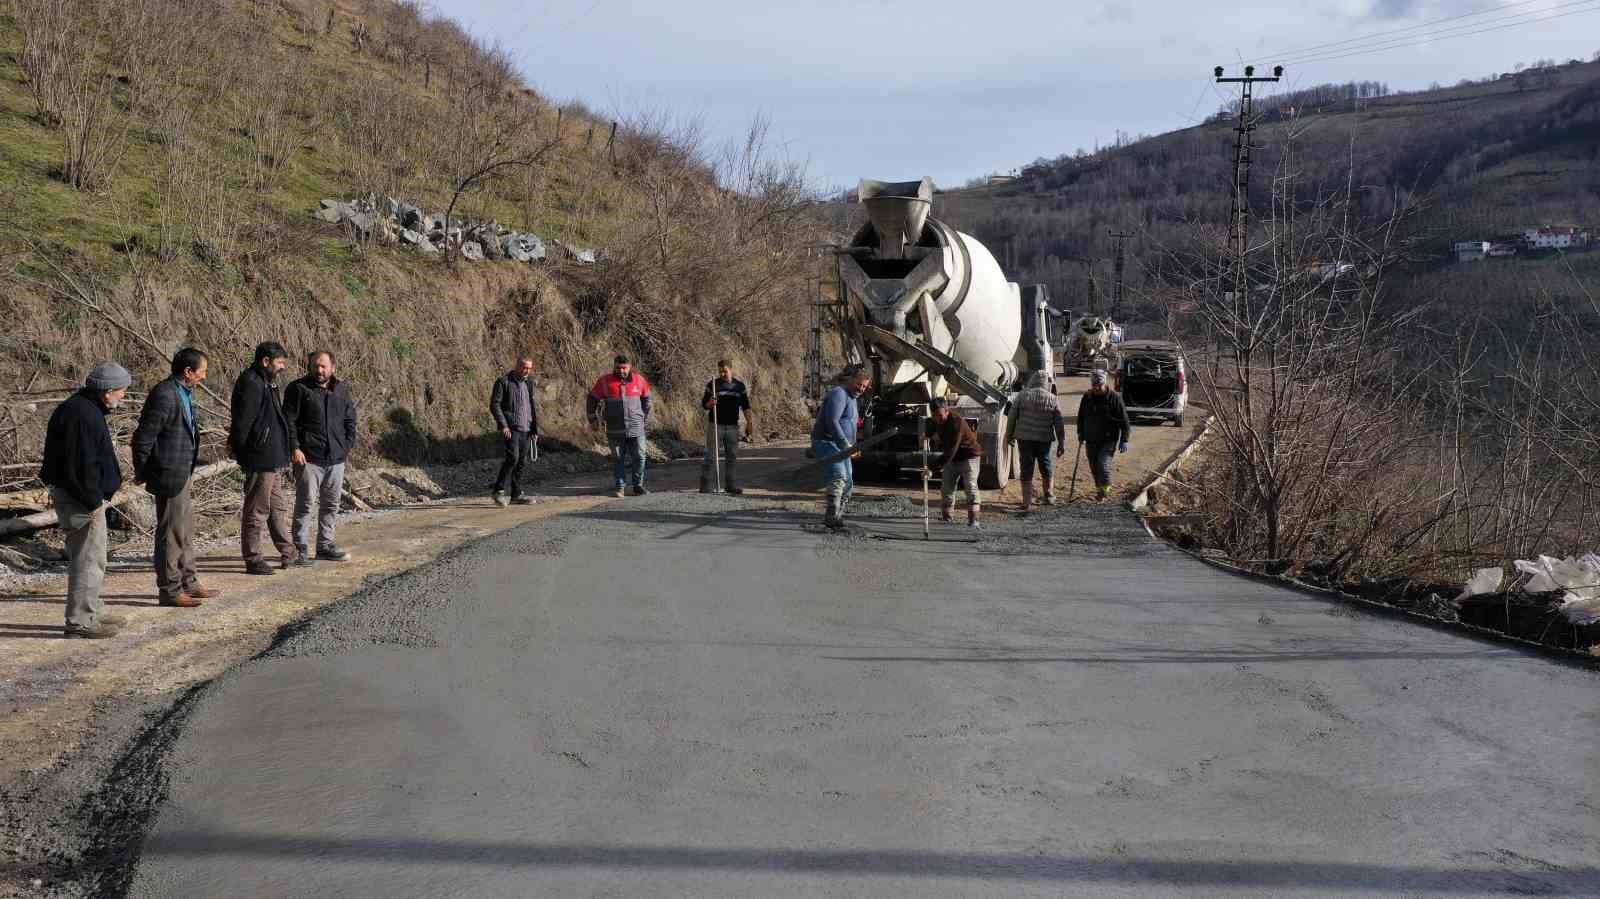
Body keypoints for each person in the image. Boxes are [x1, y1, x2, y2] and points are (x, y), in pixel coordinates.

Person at [40, 363, 131, 638]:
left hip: (83, 497)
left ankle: (91, 611)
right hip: (81, 500)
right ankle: (80, 621)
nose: (124, 396)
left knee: (93, 558)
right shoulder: (81, 415)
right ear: (108, 391)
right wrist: (93, 501)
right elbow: (79, 466)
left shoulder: (84, 409)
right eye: (122, 391)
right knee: (87, 559)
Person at [131, 348, 220, 608]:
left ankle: (189, 582)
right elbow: (143, 438)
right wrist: (144, 472)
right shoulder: (165, 395)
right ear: (188, 372)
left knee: (184, 531)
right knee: (170, 534)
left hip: (181, 473)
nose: (204, 377)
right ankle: (170, 590)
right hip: (168, 474)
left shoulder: (181, 392)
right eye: (201, 372)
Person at [283, 350, 357, 565]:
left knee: (330, 505)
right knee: (305, 504)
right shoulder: (298, 389)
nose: (319, 370)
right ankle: (299, 548)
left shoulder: (341, 389)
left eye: (323, 366)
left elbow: (350, 419)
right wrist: (294, 447)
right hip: (309, 458)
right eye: (315, 366)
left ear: (333, 367)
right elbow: (289, 421)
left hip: (336, 458)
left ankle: (325, 545)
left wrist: (346, 446)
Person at [230, 341, 294, 575]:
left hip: (273, 456)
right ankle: (253, 558)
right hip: (260, 457)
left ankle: (289, 552)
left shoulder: (267, 382)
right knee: (257, 509)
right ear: (265, 361)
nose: (282, 367)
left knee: (277, 507)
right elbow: (242, 424)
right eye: (279, 363)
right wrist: (244, 454)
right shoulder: (252, 383)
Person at [810, 366, 871, 530]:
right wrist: (846, 445)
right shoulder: (839, 394)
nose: (861, 389)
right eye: (859, 384)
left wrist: (852, 446)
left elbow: (850, 425)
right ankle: (831, 516)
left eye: (864, 386)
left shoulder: (853, 399)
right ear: (851, 380)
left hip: (843, 447)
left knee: (848, 483)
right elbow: (832, 422)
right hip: (826, 442)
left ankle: (838, 516)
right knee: (839, 475)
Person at [587, 355, 652, 498]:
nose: (621, 370)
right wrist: (593, 419)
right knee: (618, 459)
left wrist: (643, 417)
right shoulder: (605, 381)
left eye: (624, 368)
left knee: (640, 457)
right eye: (618, 367)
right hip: (614, 429)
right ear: (614, 366)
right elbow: (592, 399)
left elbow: (647, 399)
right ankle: (620, 487)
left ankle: (637, 486)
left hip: (636, 428)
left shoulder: (639, 380)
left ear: (629, 367)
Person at [1007, 370, 1066, 514]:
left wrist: (1009, 435)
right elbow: (1059, 423)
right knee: (1045, 464)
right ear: (1046, 383)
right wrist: (1061, 442)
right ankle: (1049, 495)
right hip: (1044, 439)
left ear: (1032, 381)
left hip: (1024, 438)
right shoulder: (1052, 398)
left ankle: (1026, 502)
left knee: (1026, 468)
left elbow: (1011, 417)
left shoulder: (1022, 395)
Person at [489, 357, 540, 507]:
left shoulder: (529, 383)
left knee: (521, 461)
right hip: (511, 428)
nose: (527, 371)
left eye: (529, 368)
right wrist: (503, 425)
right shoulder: (503, 382)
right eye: (524, 367)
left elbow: (531, 406)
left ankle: (516, 494)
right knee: (513, 458)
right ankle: (498, 491)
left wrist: (534, 429)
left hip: (526, 427)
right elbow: (495, 405)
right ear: (517, 366)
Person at [699, 359, 754, 494]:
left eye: (725, 371)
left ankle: (730, 485)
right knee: (710, 456)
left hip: (732, 427)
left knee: (732, 456)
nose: (722, 374)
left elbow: (746, 406)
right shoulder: (713, 385)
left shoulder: (739, 386)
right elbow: (704, 405)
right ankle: (705, 486)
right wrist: (710, 403)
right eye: (720, 371)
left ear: (731, 369)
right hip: (716, 425)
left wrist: (749, 423)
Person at [929, 397, 984, 528]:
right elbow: (931, 429)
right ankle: (947, 519)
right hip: (952, 458)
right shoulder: (935, 420)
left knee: (970, 488)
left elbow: (951, 451)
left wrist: (932, 468)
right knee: (946, 489)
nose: (938, 419)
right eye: (935, 416)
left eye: (940, 416)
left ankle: (973, 520)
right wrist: (927, 435)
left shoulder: (956, 423)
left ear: (947, 411)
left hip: (969, 457)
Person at [1077, 369, 1131, 501]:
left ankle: (1105, 493)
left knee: (1103, 467)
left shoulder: (1114, 398)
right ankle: (1099, 491)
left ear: (1104, 384)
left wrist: (1124, 439)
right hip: (1091, 439)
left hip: (1108, 440)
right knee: (1094, 468)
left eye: (1099, 385)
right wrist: (1081, 433)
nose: (1096, 388)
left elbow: (1125, 421)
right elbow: (1081, 417)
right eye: (1094, 385)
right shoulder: (1087, 397)